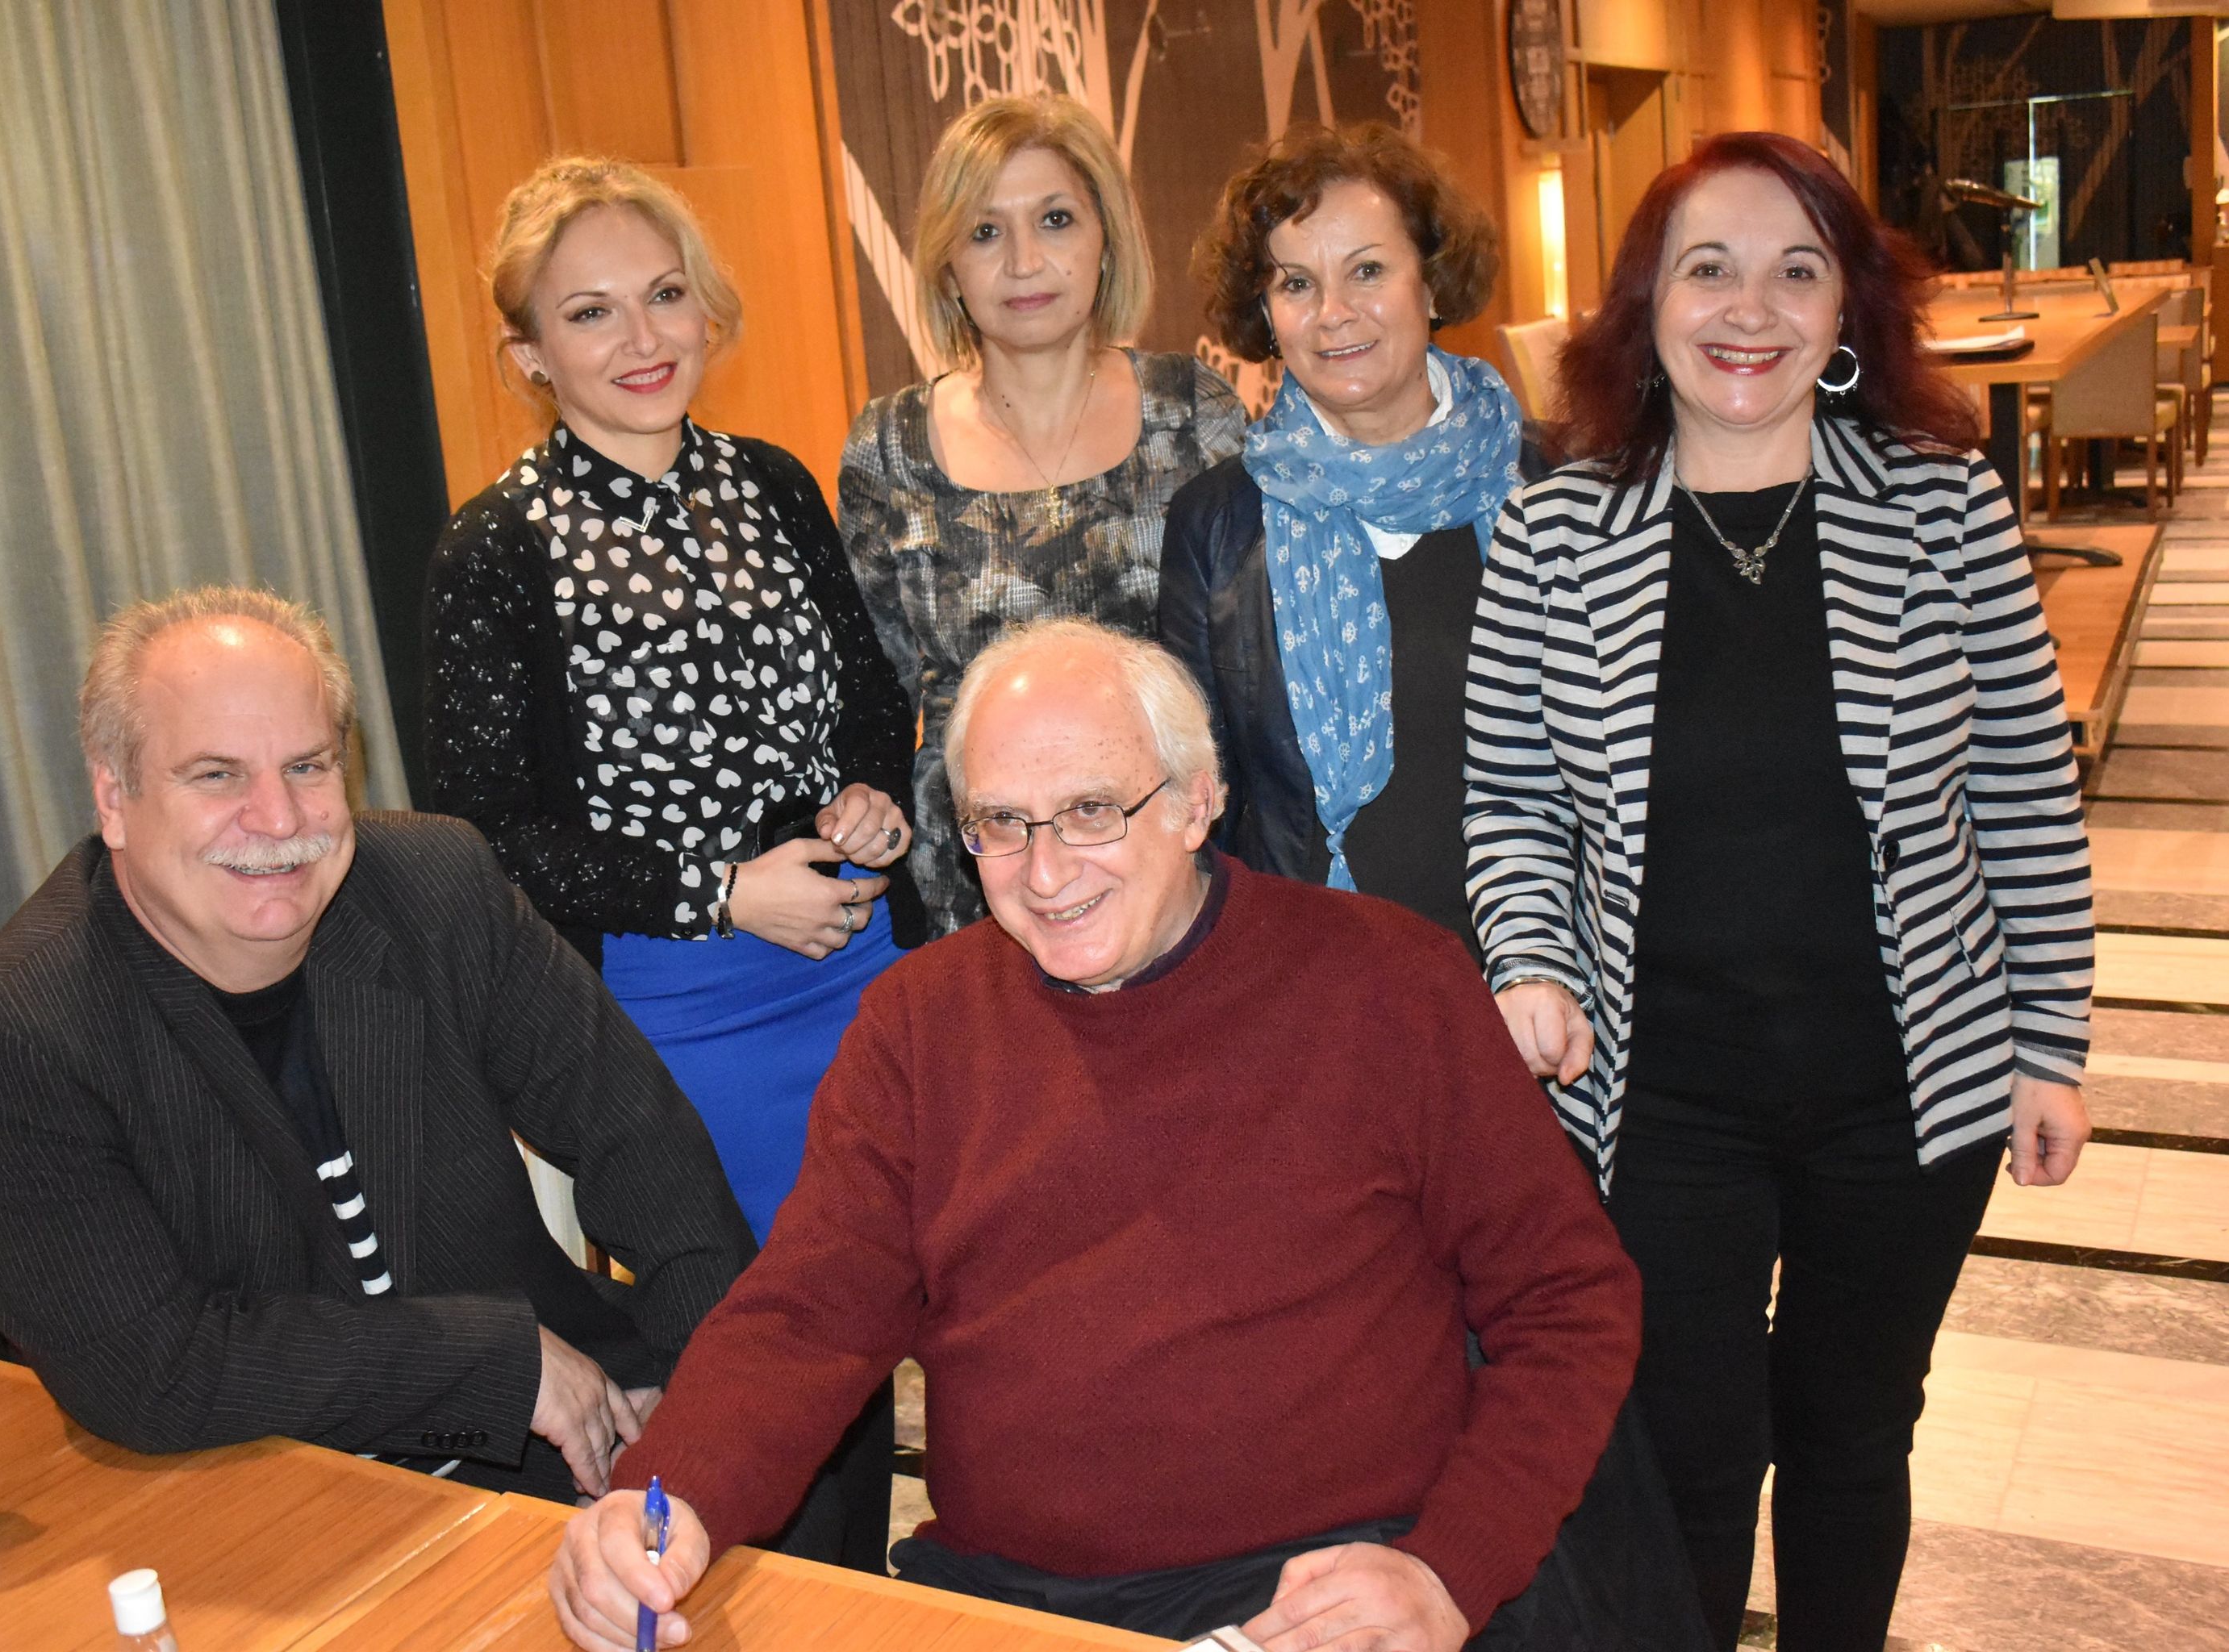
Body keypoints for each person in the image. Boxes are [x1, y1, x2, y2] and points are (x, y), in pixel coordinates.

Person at [545, 618, 1700, 1652]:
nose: (1045, 874)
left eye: (1093, 811)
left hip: (1331, 1593)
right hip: (1019, 1599)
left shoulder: (1391, 984)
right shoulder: (920, 1023)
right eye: (1002, 824)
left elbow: (1568, 1301)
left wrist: (1450, 1571)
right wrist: (664, 1500)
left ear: (1197, 802)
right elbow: (809, 1314)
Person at [1463, 132, 2094, 1652]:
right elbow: (1512, 802)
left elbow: (2022, 789)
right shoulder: (1555, 527)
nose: (1749, 309)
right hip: (1656, 1098)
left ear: (1843, 309)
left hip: (1905, 1092)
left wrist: (2049, 1043)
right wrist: (1529, 959)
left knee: (1851, 1433)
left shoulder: (1940, 505)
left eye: (1794, 271)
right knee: (1687, 1450)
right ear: (1646, 303)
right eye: (1709, 269)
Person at [0, 588, 757, 1504]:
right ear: (115, 798)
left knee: (802, 1471)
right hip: (272, 1488)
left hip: (566, 1430)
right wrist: (499, 1363)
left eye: (307, 766)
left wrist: (704, 1396)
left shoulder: (438, 886)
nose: (279, 819)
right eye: (217, 775)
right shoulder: (10, 1037)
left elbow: (643, 1143)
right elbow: (151, 1369)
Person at [424, 154, 914, 1566]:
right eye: (589, 313)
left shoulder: (771, 484)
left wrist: (869, 797)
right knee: (775, 1341)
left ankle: (898, 1599)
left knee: (914, 1296)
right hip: (680, 1012)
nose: (641, 339)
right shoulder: (497, 550)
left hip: (863, 968)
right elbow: (489, 836)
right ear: (529, 352)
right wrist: (720, 890)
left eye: (663, 295)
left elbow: (866, 695)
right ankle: (801, 1601)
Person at [840, 94, 1248, 937]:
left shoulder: (1192, 415)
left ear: (1106, 239)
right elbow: (874, 697)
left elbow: (1252, 673)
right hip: (978, 883)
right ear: (948, 266)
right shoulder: (889, 448)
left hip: (1176, 868)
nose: (1024, 262)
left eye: (1055, 220)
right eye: (986, 232)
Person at [1162, 123, 1526, 956]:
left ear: (1431, 282)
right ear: (1265, 313)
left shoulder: (1553, 483)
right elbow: (1196, 798)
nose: (1334, 313)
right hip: (1318, 979)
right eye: (1296, 283)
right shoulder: (1217, 524)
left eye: (1367, 270)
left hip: (1548, 976)